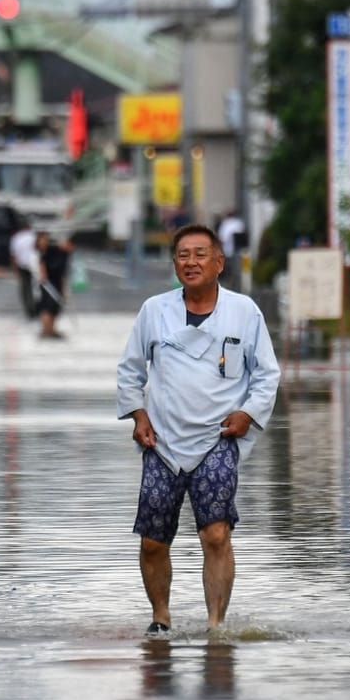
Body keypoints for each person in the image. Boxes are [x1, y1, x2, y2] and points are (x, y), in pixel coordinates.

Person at [116, 223, 280, 635]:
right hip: (164, 442)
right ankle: (161, 617)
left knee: (216, 533)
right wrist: (139, 415)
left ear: (219, 262)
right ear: (174, 264)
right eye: (183, 255)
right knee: (153, 540)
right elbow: (130, 371)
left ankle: (215, 624)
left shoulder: (245, 312)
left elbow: (267, 375)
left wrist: (247, 415)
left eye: (200, 254)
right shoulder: (154, 311)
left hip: (219, 438)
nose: (191, 262)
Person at [35, 231, 72, 339]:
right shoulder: (48, 252)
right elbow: (42, 268)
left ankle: (52, 329)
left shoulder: (62, 254)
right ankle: (46, 330)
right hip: (48, 284)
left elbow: (63, 274)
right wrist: (43, 279)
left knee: (55, 308)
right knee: (47, 307)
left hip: (57, 283)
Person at [9, 219, 38, 318]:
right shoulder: (34, 236)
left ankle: (29, 309)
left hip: (23, 265)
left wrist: (15, 269)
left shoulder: (16, 238)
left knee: (25, 288)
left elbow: (14, 256)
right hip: (35, 265)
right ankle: (37, 307)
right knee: (37, 287)